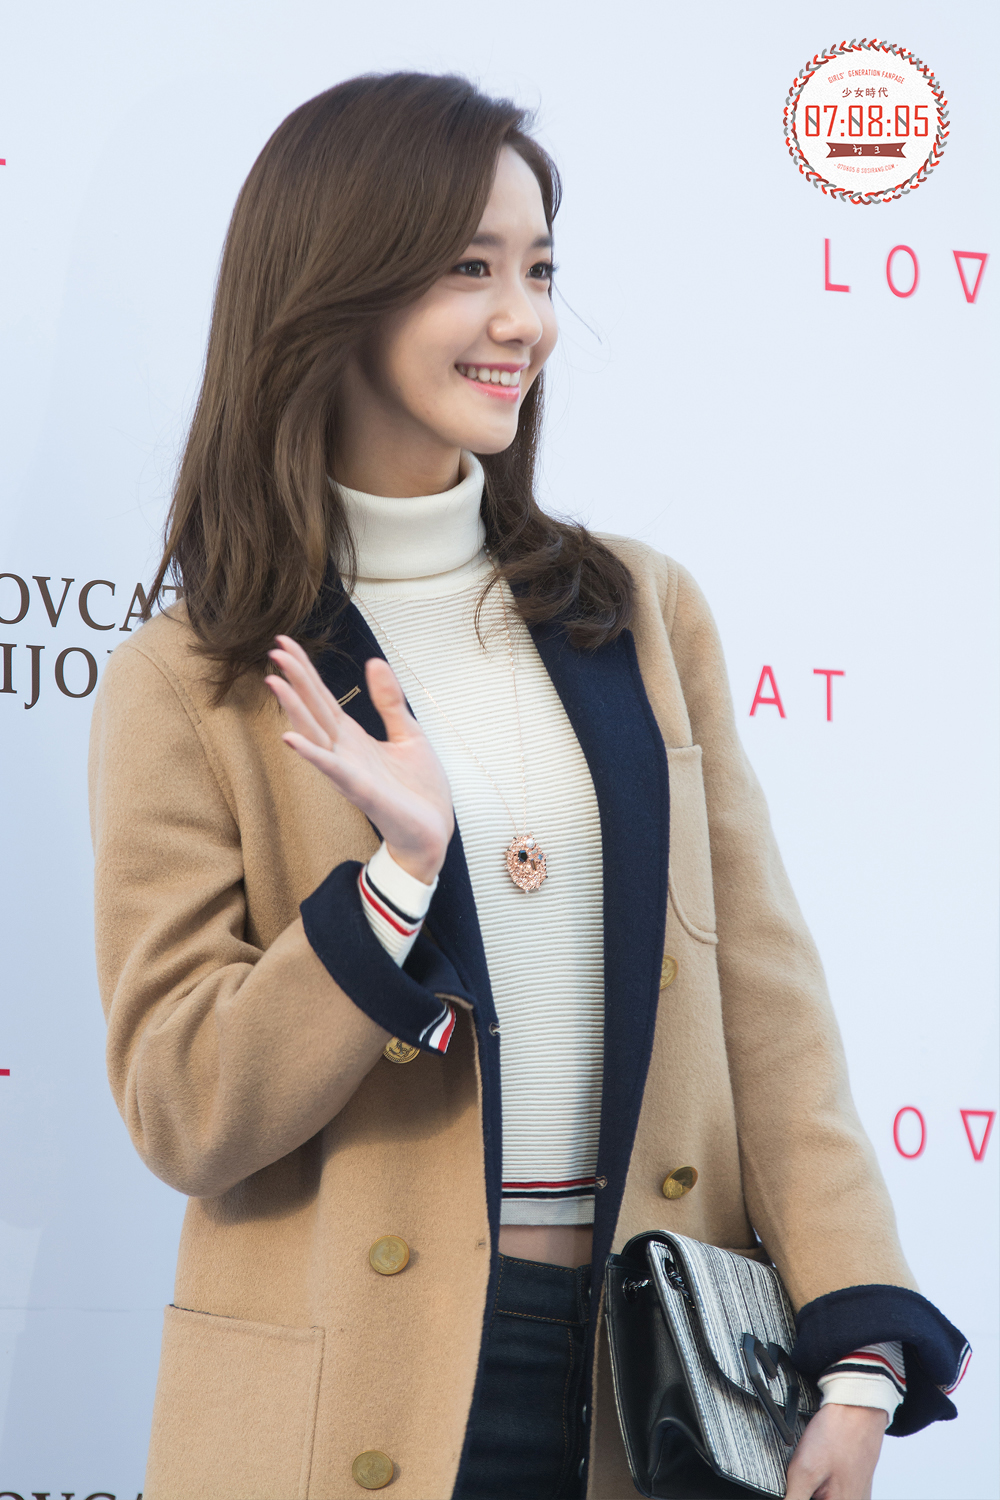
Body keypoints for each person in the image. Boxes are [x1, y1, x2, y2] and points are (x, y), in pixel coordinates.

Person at [89, 73, 968, 1500]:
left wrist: (859, 1343)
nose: (526, 320)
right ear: (334, 288)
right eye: (470, 268)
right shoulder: (193, 677)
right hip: (347, 1390)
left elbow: (767, 1006)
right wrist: (393, 883)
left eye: (541, 270)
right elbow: (184, 1106)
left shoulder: (638, 611)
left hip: (653, 1375)